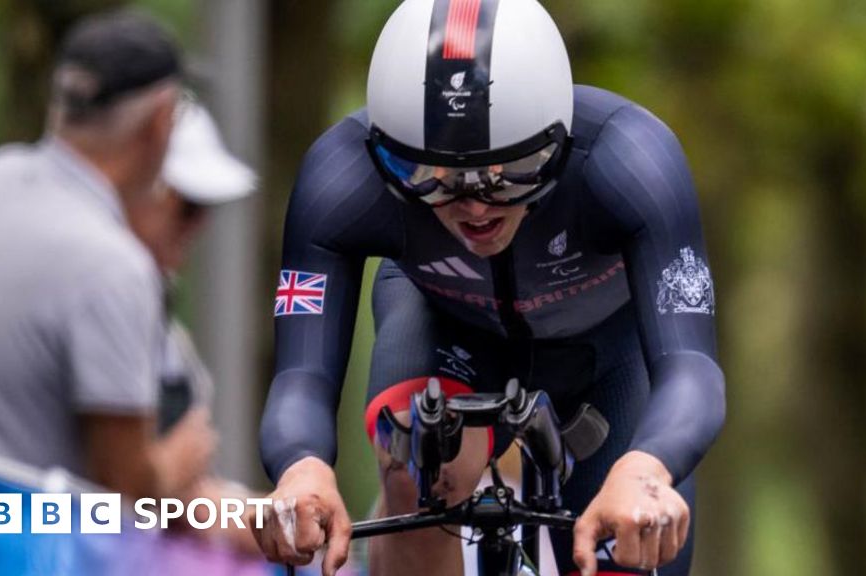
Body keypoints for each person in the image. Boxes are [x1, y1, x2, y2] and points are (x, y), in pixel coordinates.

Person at [254, 1, 726, 575]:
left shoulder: (632, 160)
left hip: (607, 351)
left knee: (631, 537)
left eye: (512, 172)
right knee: (416, 469)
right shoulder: (338, 178)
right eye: (429, 178)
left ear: (561, 135)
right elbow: (302, 376)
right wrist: (301, 466)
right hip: (440, 319)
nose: (475, 205)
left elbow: (690, 368)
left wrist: (648, 469)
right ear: (383, 151)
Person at [0, 10, 212, 502]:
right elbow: (123, 500)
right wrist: (176, 463)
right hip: (22, 551)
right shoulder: (113, 268)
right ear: (161, 121)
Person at [126, 99, 262, 554]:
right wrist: (251, 520)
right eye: (187, 205)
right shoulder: (106, 301)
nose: (198, 224)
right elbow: (124, 497)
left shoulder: (157, 313)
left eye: (206, 208)